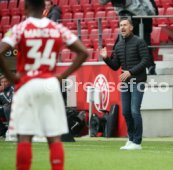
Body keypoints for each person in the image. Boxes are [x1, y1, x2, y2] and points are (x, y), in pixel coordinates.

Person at [0, 0, 88, 170]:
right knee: (54, 137)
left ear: (25, 8)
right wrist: (62, 76)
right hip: (49, 83)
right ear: (45, 8)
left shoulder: (19, 28)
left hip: (26, 84)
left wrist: (11, 76)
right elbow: (83, 52)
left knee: (24, 137)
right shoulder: (57, 28)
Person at [100, 17, 150, 150]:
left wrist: (131, 72)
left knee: (134, 110)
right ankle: (131, 138)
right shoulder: (118, 45)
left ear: (131, 27)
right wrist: (106, 59)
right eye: (120, 25)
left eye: (125, 25)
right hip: (125, 82)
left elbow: (146, 60)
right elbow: (116, 66)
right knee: (126, 112)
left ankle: (137, 142)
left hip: (138, 80)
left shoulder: (139, 42)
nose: (122, 27)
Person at [99, 0, 158, 75]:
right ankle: (150, 67)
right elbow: (102, 2)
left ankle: (150, 67)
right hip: (129, 15)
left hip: (142, 17)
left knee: (143, 43)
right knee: (122, 43)